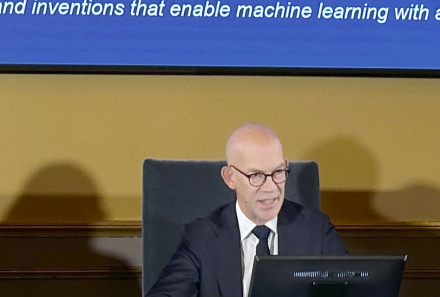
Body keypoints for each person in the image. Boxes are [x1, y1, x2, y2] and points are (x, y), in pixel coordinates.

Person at [147, 124, 347, 297]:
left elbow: (351, 290)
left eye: (278, 172)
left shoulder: (316, 230)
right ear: (230, 178)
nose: (271, 188)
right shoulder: (201, 238)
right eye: (256, 176)